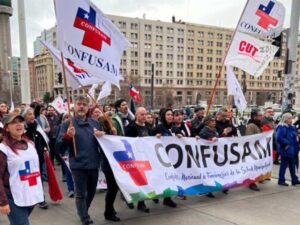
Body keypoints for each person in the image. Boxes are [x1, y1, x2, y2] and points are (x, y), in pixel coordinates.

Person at [56, 95, 105, 225]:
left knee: (92, 191)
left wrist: (103, 136)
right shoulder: (67, 124)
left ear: (88, 106)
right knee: (80, 193)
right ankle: (84, 217)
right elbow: (59, 147)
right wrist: (67, 136)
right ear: (74, 107)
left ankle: (83, 210)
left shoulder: (95, 123)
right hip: (78, 165)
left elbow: (103, 143)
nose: (82, 106)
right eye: (79, 104)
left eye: (84, 104)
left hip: (94, 164)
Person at [0, 113, 44, 225]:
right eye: (14, 122)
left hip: (30, 193)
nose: (18, 125)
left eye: (20, 121)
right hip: (13, 196)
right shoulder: (3, 149)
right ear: (6, 128)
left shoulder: (30, 144)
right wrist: (2, 201)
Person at [125, 107, 152, 213]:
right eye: (142, 114)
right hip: (134, 159)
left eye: (145, 114)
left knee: (144, 181)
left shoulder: (149, 127)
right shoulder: (130, 127)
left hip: (145, 158)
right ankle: (128, 197)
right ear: (136, 115)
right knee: (133, 181)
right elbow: (126, 142)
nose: (144, 116)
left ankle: (141, 203)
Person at [22, 107, 50, 209]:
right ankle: (28, 198)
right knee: (27, 179)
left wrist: (45, 149)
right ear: (25, 116)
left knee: (38, 178)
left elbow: (42, 140)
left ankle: (41, 198)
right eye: (29, 114)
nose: (32, 116)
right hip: (25, 160)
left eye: (33, 114)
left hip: (38, 157)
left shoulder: (37, 126)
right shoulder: (22, 128)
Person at [152, 108, 178, 208]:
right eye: (168, 115)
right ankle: (156, 194)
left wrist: (180, 135)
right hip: (160, 158)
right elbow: (148, 139)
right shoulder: (158, 127)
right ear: (163, 116)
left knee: (170, 178)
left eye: (171, 114)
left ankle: (168, 199)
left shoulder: (174, 128)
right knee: (160, 177)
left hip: (172, 158)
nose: (170, 116)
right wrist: (155, 136)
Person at [276, 113, 300, 186]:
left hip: (293, 150)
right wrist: (287, 144)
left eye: (291, 118)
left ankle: (294, 180)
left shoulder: (291, 127)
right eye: (289, 118)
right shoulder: (282, 127)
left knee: (292, 166)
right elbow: (279, 138)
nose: (291, 120)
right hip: (286, 150)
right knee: (283, 165)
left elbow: (295, 137)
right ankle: (281, 180)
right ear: (285, 119)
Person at [245, 109, 263, 191]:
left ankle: (255, 179)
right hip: (252, 150)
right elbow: (249, 138)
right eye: (260, 115)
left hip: (258, 149)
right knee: (252, 167)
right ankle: (251, 183)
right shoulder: (251, 125)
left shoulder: (258, 124)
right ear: (254, 116)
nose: (261, 117)